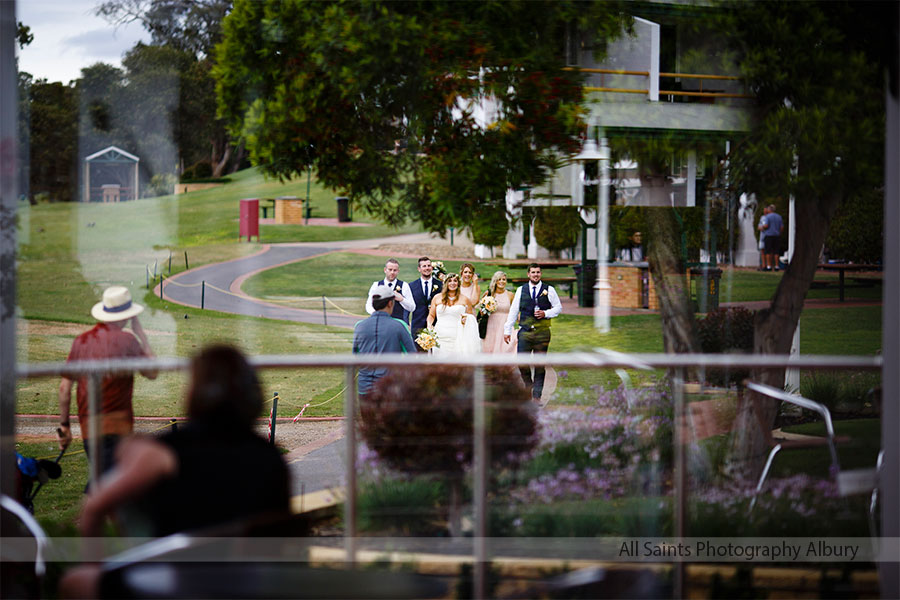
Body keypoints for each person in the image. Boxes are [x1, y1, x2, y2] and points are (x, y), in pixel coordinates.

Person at [59, 345, 291, 599]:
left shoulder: (166, 452)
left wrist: (97, 568)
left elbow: (94, 508)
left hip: (183, 584)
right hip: (254, 584)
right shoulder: (272, 459)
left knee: (74, 582)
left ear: (195, 393)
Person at [57, 286, 156, 479]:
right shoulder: (128, 341)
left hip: (88, 428)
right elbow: (152, 372)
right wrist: (141, 335)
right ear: (128, 316)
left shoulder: (81, 341)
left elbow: (64, 389)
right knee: (109, 485)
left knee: (107, 481)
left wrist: (65, 426)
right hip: (118, 427)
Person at [503, 264, 562, 400]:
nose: (536, 274)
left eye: (538, 272)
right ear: (528, 274)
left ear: (540, 274)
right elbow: (514, 311)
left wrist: (546, 313)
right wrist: (507, 330)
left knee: (539, 365)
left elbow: (558, 308)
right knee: (521, 362)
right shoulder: (521, 290)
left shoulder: (549, 290)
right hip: (525, 331)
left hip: (542, 332)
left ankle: (536, 396)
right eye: (533, 272)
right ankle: (528, 384)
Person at [354, 284, 417, 395]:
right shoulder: (399, 325)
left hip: (365, 386)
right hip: (390, 386)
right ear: (390, 303)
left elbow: (356, 356)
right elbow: (412, 355)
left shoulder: (359, 326)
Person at [427, 273, 480, 356]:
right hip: (440, 335)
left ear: (458, 283)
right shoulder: (437, 298)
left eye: (455, 281)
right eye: (450, 281)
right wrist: (429, 325)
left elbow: (471, 317)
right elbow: (431, 315)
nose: (452, 283)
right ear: (445, 283)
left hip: (457, 336)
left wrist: (466, 320)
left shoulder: (465, 299)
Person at [365, 258, 416, 325]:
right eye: (390, 270)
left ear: (398, 271)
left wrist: (402, 300)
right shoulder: (376, 285)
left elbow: (412, 307)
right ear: (385, 270)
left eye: (395, 270)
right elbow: (368, 305)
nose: (392, 272)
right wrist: (376, 314)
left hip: (398, 324)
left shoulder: (404, 286)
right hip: (380, 323)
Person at [409, 256, 443, 351]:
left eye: (429, 265)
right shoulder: (411, 286)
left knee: (436, 352)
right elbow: (407, 306)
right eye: (424, 266)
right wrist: (406, 322)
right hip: (417, 325)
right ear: (419, 269)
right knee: (420, 355)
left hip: (436, 324)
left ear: (432, 268)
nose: (427, 268)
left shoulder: (441, 285)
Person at [481, 271, 517, 354]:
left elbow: (515, 311)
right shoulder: (489, 294)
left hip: (505, 326)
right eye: (499, 279)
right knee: (490, 348)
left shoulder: (510, 295)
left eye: (503, 279)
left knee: (506, 348)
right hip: (491, 326)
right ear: (495, 281)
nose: (501, 281)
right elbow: (481, 311)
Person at [759, 203, 783, 271]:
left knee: (768, 251)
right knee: (776, 251)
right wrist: (779, 233)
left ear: (769, 210)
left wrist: (762, 227)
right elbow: (781, 227)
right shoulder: (779, 217)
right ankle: (777, 266)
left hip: (769, 235)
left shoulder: (768, 217)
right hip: (777, 235)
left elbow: (766, 225)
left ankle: (769, 266)